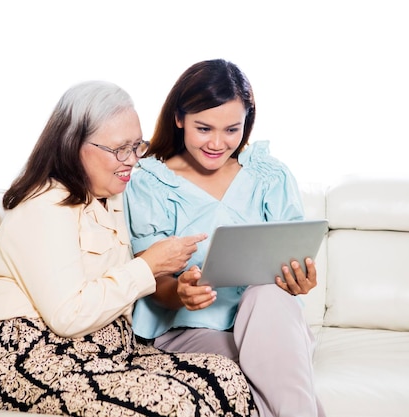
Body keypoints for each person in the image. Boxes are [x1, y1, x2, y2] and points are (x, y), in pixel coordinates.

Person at [0, 80, 257, 416]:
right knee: (177, 404)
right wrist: (148, 266)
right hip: (36, 353)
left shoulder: (112, 195)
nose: (133, 160)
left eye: (137, 146)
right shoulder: (44, 207)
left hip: (111, 349)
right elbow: (68, 316)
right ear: (72, 144)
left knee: (227, 377)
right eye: (120, 149)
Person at [124, 59, 326, 417]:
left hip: (273, 321)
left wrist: (299, 282)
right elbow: (152, 280)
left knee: (265, 296)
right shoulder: (150, 183)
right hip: (192, 332)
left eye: (232, 129)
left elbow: (292, 256)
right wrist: (181, 293)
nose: (218, 143)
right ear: (179, 118)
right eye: (204, 128)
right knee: (269, 374)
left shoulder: (269, 175)